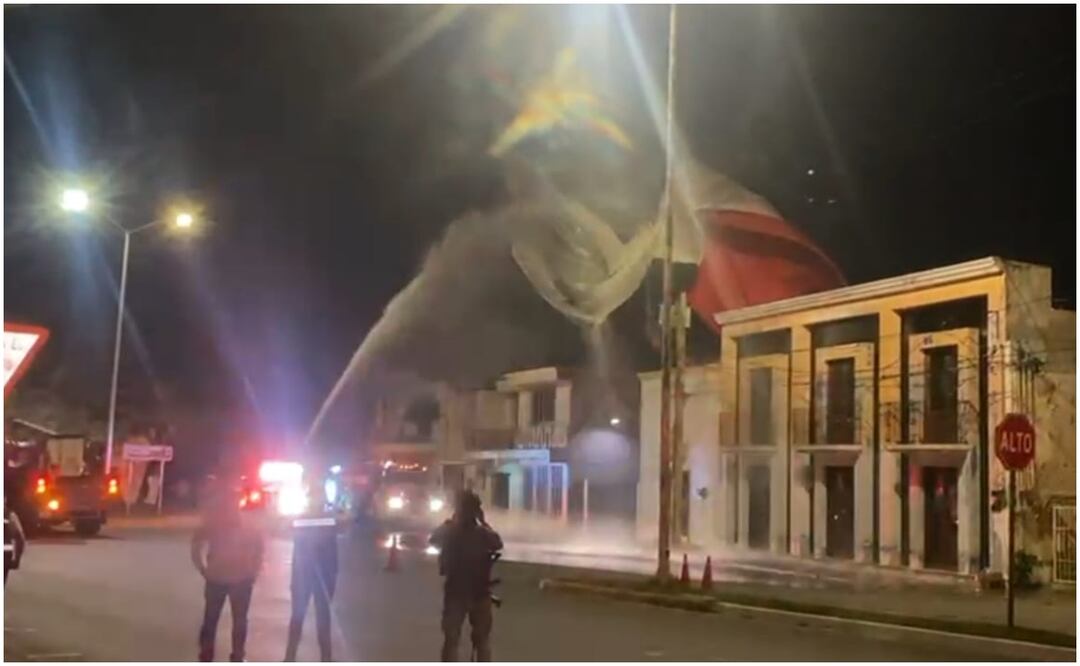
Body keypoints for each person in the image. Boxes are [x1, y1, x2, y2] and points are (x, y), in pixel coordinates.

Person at [190, 486, 265, 662]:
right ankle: (220, 655)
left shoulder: (228, 522)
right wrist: (202, 568)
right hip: (224, 578)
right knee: (218, 619)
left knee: (226, 620)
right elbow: (195, 546)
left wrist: (253, 570)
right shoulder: (219, 522)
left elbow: (259, 549)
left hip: (234, 578)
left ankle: (229, 655)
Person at [429, 490, 503, 662]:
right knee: (481, 642)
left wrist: (451, 521)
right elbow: (498, 544)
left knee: (452, 640)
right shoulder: (482, 533)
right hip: (479, 592)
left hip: (458, 592)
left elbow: (433, 539)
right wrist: (484, 522)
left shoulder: (450, 531)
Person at [284, 494, 340, 661]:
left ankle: (291, 657)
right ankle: (324, 658)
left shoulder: (304, 520)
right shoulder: (329, 520)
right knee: (318, 617)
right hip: (317, 575)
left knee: (301, 617)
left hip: (308, 575)